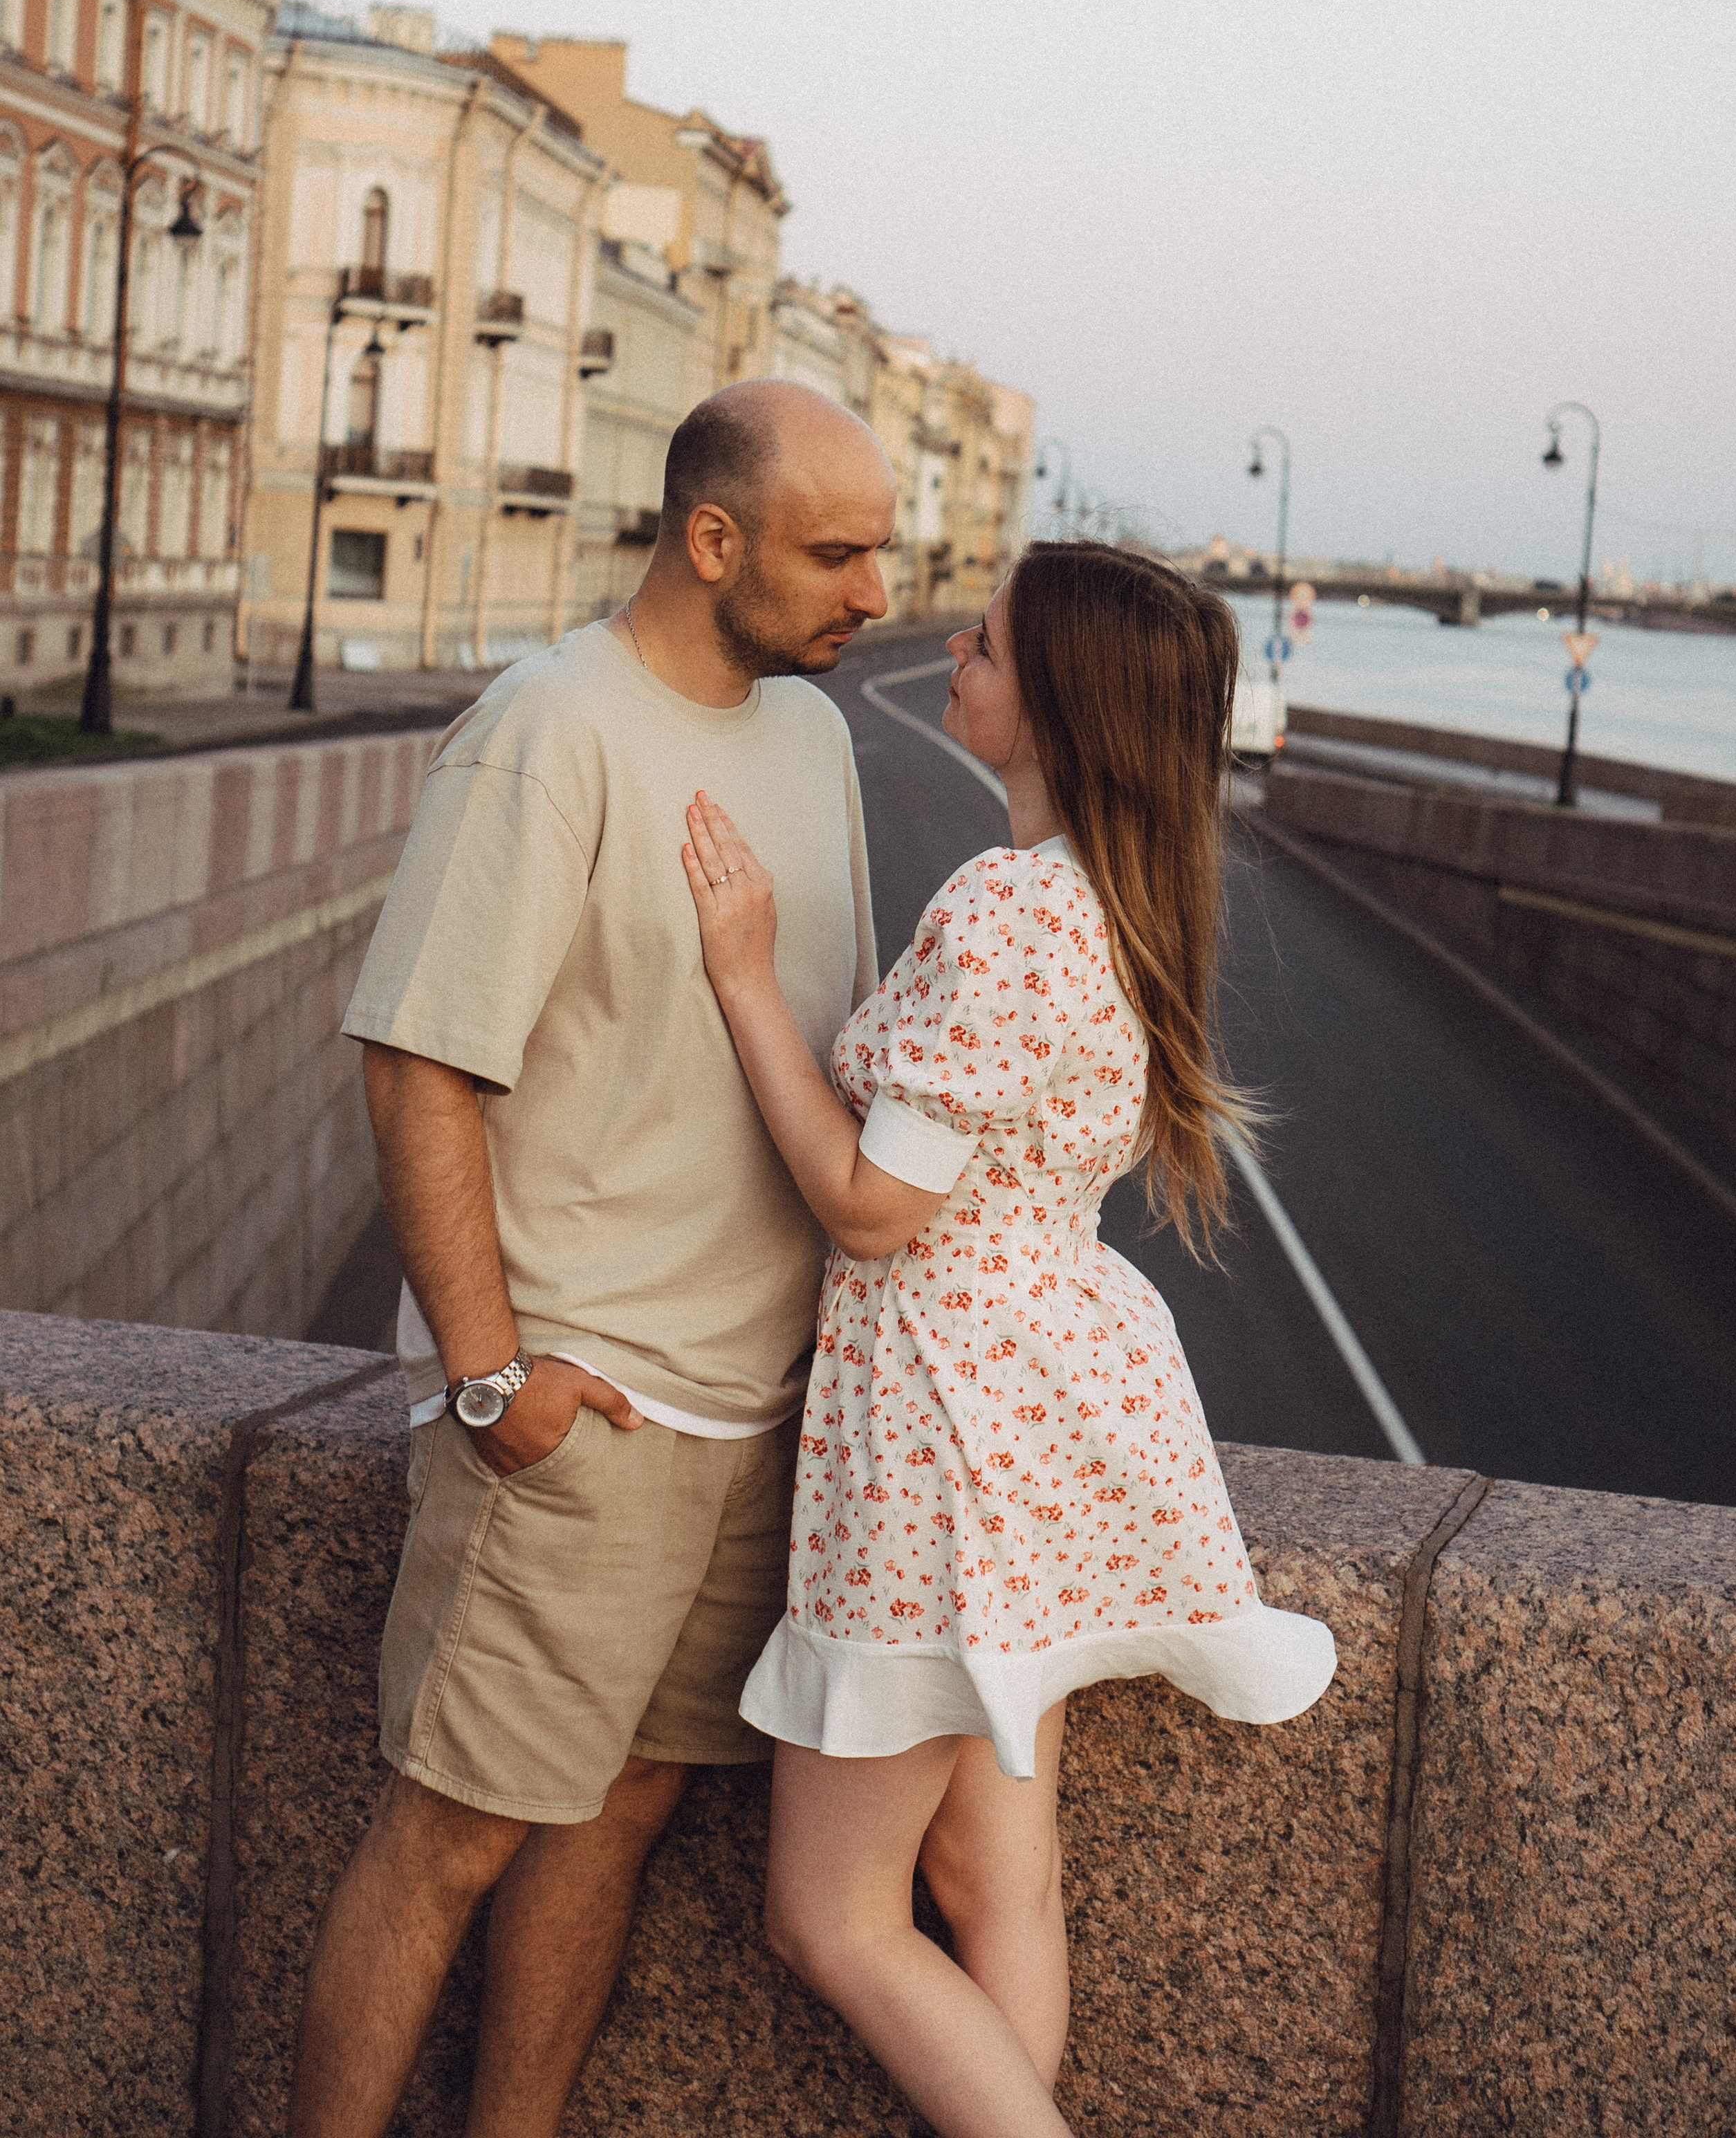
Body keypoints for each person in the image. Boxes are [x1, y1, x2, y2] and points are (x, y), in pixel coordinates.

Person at [286, 381, 898, 2138]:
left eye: (878, 554)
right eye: (833, 554)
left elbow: (819, 1041)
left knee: (623, 1807)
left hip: (756, 1410)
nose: (870, 593)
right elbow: (419, 1054)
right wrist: (490, 1374)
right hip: (587, 1407)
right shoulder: (549, 728)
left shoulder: (816, 738)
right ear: (711, 541)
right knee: (451, 1838)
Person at [678, 538, 1338, 2138]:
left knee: (829, 1917)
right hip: (1043, 1418)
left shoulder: (1005, 908)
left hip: (936, 1437)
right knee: (991, 1879)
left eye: (980, 643)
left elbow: (865, 1207)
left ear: (1059, 701)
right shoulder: (1116, 898)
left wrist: (745, 979)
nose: (951, 653)